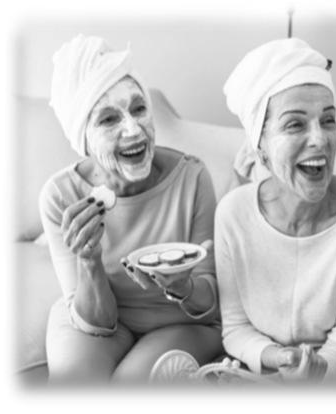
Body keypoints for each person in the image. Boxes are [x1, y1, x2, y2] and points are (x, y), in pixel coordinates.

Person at [39, 34, 222, 383]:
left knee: (130, 385)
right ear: (83, 138)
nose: (133, 129)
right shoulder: (60, 196)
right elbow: (97, 322)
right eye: (109, 119)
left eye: (139, 109)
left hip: (181, 321)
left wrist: (183, 285)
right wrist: (89, 260)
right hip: (101, 322)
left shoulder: (192, 177)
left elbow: (210, 304)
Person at [215, 38, 336, 383]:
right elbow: (236, 328)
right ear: (260, 147)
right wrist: (281, 360)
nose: (320, 139)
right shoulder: (232, 214)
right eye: (295, 124)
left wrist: (313, 372)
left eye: (328, 120)